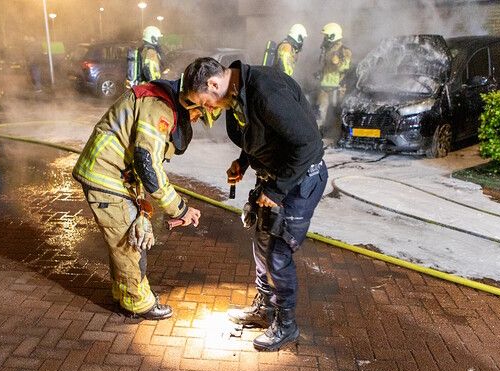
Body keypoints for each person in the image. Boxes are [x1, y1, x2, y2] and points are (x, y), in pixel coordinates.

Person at [181, 57, 327, 351]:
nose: (206, 109)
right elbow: (264, 136)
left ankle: (287, 325)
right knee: (261, 242)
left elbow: (309, 145)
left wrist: (276, 190)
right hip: (275, 177)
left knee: (277, 252)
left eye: (204, 101)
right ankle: (265, 309)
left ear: (213, 84)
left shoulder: (266, 92)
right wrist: (244, 162)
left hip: (300, 180)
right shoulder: (237, 94)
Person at [72, 78, 202, 320]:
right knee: (131, 246)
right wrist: (180, 209)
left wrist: (143, 211)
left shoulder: (156, 101)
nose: (195, 122)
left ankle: (123, 294)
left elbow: (140, 166)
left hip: (113, 177)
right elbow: (147, 164)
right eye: (198, 117)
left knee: (127, 240)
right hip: (106, 179)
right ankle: (137, 303)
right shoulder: (159, 109)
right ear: (191, 109)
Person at [317, 23, 351, 135]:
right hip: (324, 85)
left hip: (337, 86)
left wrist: (336, 62)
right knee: (321, 110)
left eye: (327, 36)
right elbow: (324, 66)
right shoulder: (327, 49)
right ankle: (319, 132)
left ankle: (337, 134)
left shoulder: (344, 50)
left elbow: (345, 67)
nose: (325, 39)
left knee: (337, 110)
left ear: (333, 36)